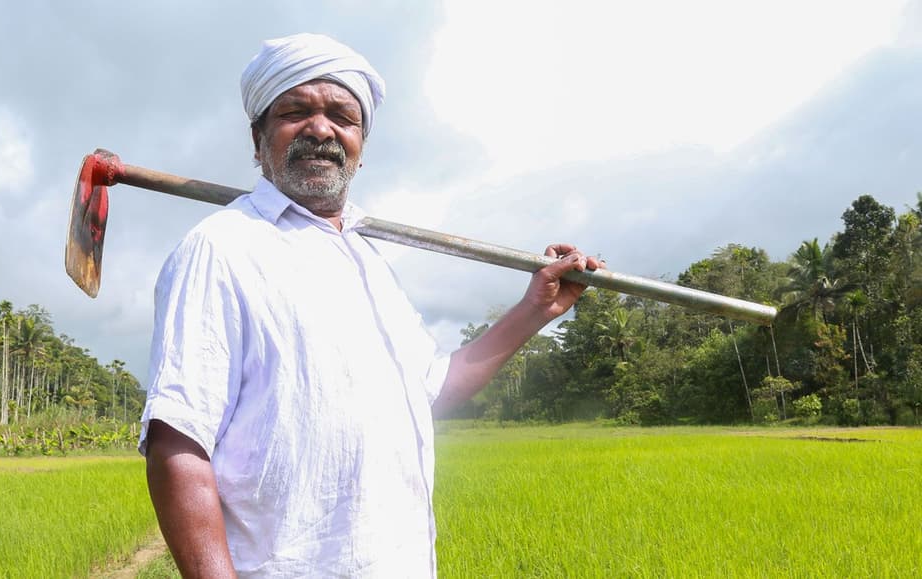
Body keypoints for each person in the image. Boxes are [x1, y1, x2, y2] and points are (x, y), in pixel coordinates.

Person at [139, 33, 602, 578]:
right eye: (294, 111)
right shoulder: (221, 248)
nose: (321, 128)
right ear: (258, 137)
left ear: (360, 142)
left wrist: (536, 309)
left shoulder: (368, 262)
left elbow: (430, 390)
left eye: (342, 115)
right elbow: (178, 442)